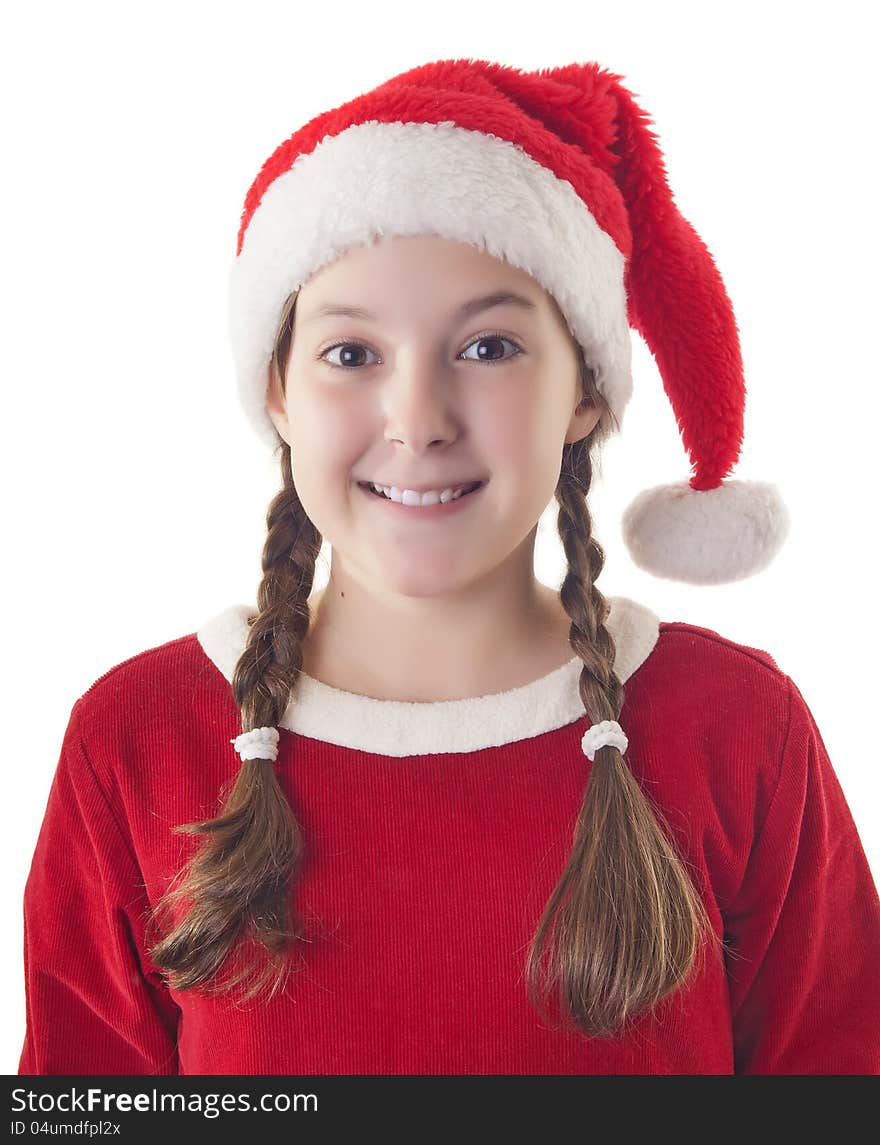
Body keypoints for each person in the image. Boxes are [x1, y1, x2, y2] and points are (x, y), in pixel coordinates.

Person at [18, 58, 880, 1076]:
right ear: (279, 395)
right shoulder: (133, 741)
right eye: (350, 353)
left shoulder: (738, 730)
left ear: (586, 393)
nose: (417, 420)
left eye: (488, 347)